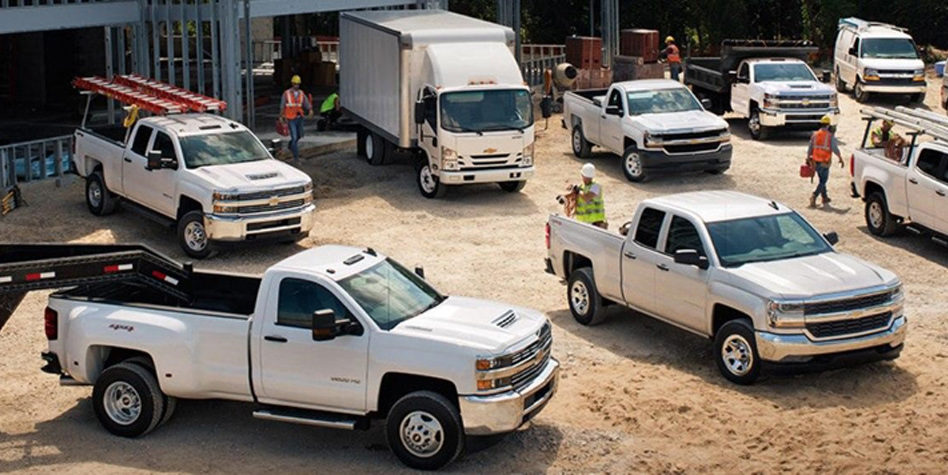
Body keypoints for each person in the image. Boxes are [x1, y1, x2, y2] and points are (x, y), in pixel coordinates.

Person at [806, 115, 845, 207]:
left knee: (821, 179)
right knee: (823, 181)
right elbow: (834, 148)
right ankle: (814, 195)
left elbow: (810, 147)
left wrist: (808, 158)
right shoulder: (829, 136)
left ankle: (825, 197)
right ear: (828, 125)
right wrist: (840, 158)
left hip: (815, 161)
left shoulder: (815, 134)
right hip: (824, 161)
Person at [280, 75, 312, 162]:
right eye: (295, 84)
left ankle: (291, 145)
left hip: (299, 117)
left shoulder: (301, 93)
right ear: (292, 84)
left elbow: (306, 103)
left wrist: (310, 110)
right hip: (290, 118)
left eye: (298, 84)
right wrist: (282, 116)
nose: (296, 86)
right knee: (294, 137)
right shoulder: (286, 94)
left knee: (299, 135)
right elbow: (282, 105)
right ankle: (296, 158)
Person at [575, 163, 606, 228]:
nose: (587, 180)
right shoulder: (582, 187)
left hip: (595, 223)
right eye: (586, 178)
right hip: (582, 222)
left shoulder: (596, 186)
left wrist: (578, 191)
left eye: (588, 178)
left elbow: (587, 198)